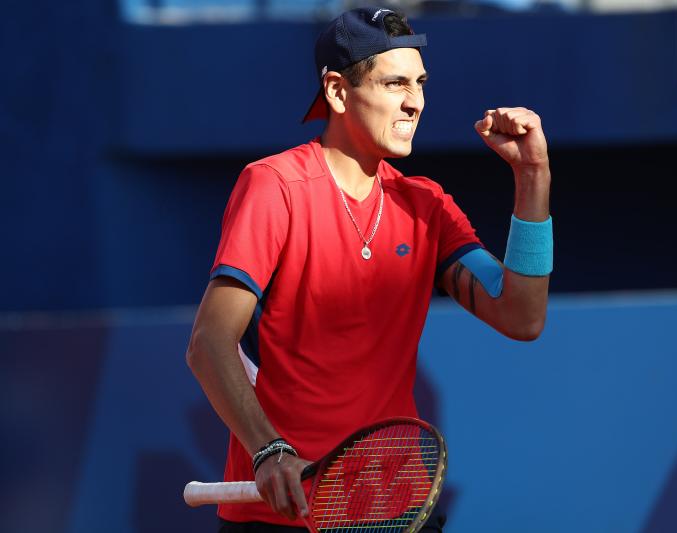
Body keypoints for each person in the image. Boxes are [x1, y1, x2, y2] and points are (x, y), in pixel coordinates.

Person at [186, 6, 552, 532]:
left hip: (393, 508)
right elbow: (209, 342)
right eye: (395, 83)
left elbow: (523, 316)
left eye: (420, 83)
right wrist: (269, 450)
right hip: (279, 516)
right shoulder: (274, 187)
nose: (415, 102)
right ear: (337, 92)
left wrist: (533, 174)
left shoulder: (428, 206)